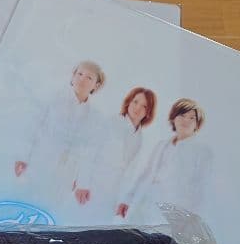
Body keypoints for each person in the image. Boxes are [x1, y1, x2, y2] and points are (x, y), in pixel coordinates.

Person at [15, 61, 106, 207]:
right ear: (73, 76)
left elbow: (89, 152)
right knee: (23, 204)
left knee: (49, 210)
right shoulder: (52, 98)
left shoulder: (95, 117)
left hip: (65, 177)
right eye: (79, 74)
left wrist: (82, 183)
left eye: (89, 77)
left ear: (96, 85)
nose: (82, 79)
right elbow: (33, 128)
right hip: (39, 164)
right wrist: (22, 157)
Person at [117, 98, 212, 223]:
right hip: (147, 208)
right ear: (174, 118)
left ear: (197, 125)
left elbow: (202, 191)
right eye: (182, 115)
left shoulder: (202, 152)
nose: (186, 120)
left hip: (175, 216)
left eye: (192, 118)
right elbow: (146, 175)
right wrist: (128, 200)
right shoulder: (162, 146)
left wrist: (191, 220)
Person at [101, 87, 157, 218]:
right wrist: (83, 182)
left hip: (113, 194)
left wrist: (123, 199)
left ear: (148, 112)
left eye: (144, 106)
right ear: (128, 102)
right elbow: (90, 152)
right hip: (94, 186)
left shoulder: (140, 138)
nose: (138, 108)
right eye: (135, 102)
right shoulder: (112, 122)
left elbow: (131, 172)